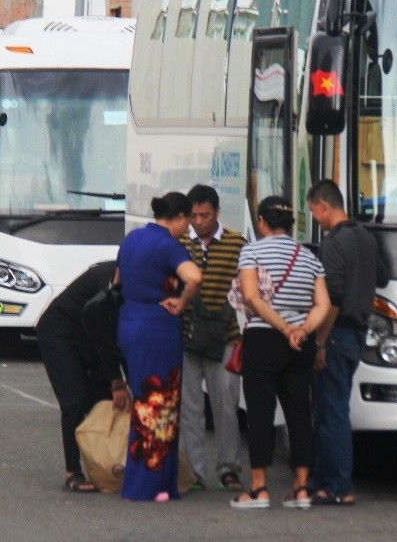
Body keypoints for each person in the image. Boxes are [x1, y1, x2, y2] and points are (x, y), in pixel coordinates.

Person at [230, 196, 330, 510]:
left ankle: (259, 488)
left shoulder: (251, 251)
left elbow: (252, 296)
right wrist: (302, 330)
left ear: (261, 222)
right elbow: (323, 304)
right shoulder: (310, 257)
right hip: (302, 344)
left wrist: (284, 327)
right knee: (299, 412)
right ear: (291, 224)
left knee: (260, 412)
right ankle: (301, 487)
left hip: (264, 338)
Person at [306, 179, 390, 507]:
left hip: (337, 333)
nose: (316, 219)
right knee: (336, 408)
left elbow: (334, 296)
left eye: (315, 212)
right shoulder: (366, 238)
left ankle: (337, 486)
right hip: (359, 333)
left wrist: (321, 343)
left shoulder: (334, 242)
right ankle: (330, 483)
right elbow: (381, 277)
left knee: (331, 413)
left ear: (325, 206)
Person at [116, 192, 202, 502]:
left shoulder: (132, 239)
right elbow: (194, 277)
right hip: (158, 327)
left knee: (145, 401)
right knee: (159, 405)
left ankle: (160, 483)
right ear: (179, 218)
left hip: (129, 322)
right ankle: (149, 485)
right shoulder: (169, 245)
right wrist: (181, 302)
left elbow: (117, 280)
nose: (189, 227)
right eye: (188, 220)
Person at [36, 260, 128, 493]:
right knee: (75, 400)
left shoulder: (138, 284)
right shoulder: (105, 284)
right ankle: (73, 472)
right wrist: (118, 383)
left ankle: (106, 466)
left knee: (104, 402)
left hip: (90, 339)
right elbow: (105, 340)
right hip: (60, 333)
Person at [179, 184, 246, 492]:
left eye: (205, 215)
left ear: (217, 213)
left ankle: (229, 468)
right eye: (194, 216)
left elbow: (247, 289)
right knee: (190, 408)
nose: (199, 221)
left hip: (226, 337)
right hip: (187, 336)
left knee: (226, 407)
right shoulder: (178, 242)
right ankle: (194, 471)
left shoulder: (236, 243)